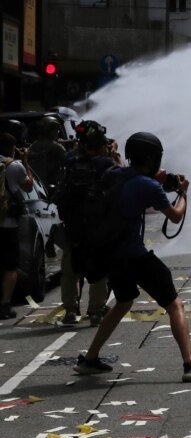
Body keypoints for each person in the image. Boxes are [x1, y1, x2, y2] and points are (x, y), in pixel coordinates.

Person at [73, 131, 191, 383]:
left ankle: (90, 359)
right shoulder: (148, 186)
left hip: (112, 254)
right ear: (153, 158)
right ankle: (190, 365)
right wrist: (182, 193)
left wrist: (163, 178)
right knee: (175, 305)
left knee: (123, 301)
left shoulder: (113, 173)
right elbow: (174, 216)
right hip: (134, 254)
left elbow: (137, 179)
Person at [56, 121, 119, 326]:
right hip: (97, 227)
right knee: (99, 271)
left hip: (73, 226)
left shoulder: (70, 160)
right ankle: (96, 311)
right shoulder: (106, 164)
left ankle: (70, 311)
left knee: (69, 271)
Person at [0, 133, 34, 320]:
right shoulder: (14, 166)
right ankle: (5, 304)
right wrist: (25, 161)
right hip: (7, 223)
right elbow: (28, 187)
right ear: (12, 147)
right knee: (10, 266)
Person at [27, 116, 67, 190]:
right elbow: (67, 162)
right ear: (50, 130)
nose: (57, 132)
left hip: (36, 184)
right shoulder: (57, 147)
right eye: (56, 130)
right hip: (50, 185)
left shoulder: (34, 144)